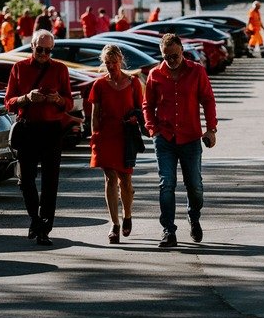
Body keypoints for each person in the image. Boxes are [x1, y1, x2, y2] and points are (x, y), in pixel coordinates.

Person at [144, 33, 217, 249]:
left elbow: (208, 100)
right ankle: (169, 230)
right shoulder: (155, 74)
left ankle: (194, 217)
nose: (171, 61)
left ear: (182, 52)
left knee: (195, 186)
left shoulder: (196, 71)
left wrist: (211, 129)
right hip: (165, 139)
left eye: (175, 56)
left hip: (190, 138)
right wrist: (152, 129)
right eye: (167, 57)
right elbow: (147, 105)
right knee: (166, 184)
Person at [4, 29, 72, 246]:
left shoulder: (60, 69)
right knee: (26, 180)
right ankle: (35, 218)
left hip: (52, 129)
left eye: (48, 51)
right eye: (40, 49)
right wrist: (26, 98)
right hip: (28, 128)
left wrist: (58, 99)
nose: (43, 54)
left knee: (50, 182)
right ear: (32, 46)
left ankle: (45, 227)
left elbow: (69, 103)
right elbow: (8, 102)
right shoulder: (19, 68)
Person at [89, 44, 142, 244]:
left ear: (121, 60)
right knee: (110, 178)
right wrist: (94, 137)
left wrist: (136, 120)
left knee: (125, 181)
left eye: (114, 62)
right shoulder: (99, 85)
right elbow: (95, 115)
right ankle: (114, 224)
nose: (111, 66)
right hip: (106, 136)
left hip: (126, 137)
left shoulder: (133, 82)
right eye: (107, 62)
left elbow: (141, 110)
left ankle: (127, 215)